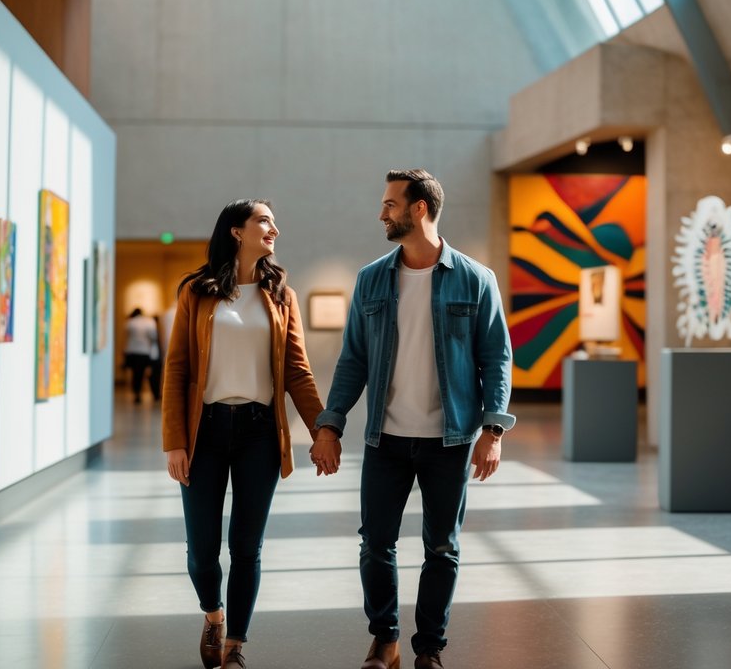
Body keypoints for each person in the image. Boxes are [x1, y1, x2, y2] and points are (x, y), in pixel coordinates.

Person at [310, 169, 514, 669]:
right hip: (386, 438)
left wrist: (492, 431)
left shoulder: (475, 278)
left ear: (419, 208)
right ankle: (386, 639)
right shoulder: (372, 278)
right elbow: (352, 359)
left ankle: (429, 649)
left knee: (442, 547)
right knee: (375, 543)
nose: (382, 213)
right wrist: (330, 424)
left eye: (390, 204)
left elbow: (497, 358)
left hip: (451, 439)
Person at [162, 199, 340, 669]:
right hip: (205, 431)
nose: (274, 228)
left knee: (246, 545)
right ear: (237, 231)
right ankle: (213, 614)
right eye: (264, 220)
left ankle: (236, 644)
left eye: (274, 221)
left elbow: (298, 372)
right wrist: (174, 441)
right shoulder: (197, 291)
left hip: (260, 432)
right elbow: (177, 369)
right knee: (201, 549)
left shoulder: (282, 295)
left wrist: (324, 430)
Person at [123, 308, 159, 403]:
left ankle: (137, 393)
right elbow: (153, 336)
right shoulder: (149, 322)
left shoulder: (130, 322)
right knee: (145, 372)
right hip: (145, 351)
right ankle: (153, 393)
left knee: (136, 374)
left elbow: (126, 337)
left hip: (132, 351)